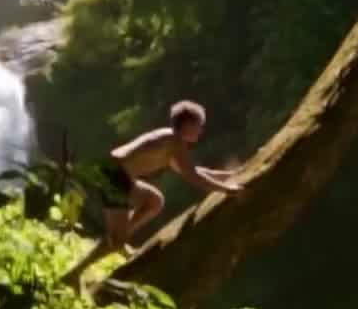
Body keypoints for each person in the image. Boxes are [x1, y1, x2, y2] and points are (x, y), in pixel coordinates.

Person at [65, 99, 242, 287]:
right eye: (199, 126)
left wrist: (231, 175)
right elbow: (193, 177)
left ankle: (121, 237)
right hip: (114, 176)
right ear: (189, 124)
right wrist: (226, 189)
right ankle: (74, 274)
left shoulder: (169, 141)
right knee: (116, 241)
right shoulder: (173, 141)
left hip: (117, 174)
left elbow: (194, 171)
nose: (201, 131)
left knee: (154, 201)